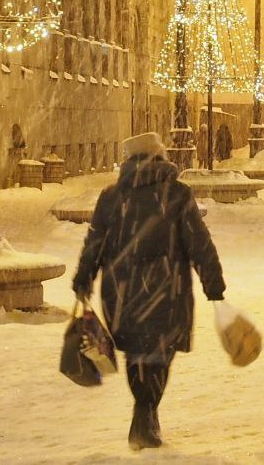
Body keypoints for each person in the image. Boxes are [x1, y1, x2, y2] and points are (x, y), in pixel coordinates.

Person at [73, 132, 226, 450]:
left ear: (129, 160)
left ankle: (145, 415)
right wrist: (213, 283)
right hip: (167, 289)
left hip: (122, 289)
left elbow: (95, 241)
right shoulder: (177, 193)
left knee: (137, 353)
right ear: (160, 156)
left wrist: (84, 278)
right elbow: (198, 241)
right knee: (160, 353)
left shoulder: (113, 195)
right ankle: (146, 415)